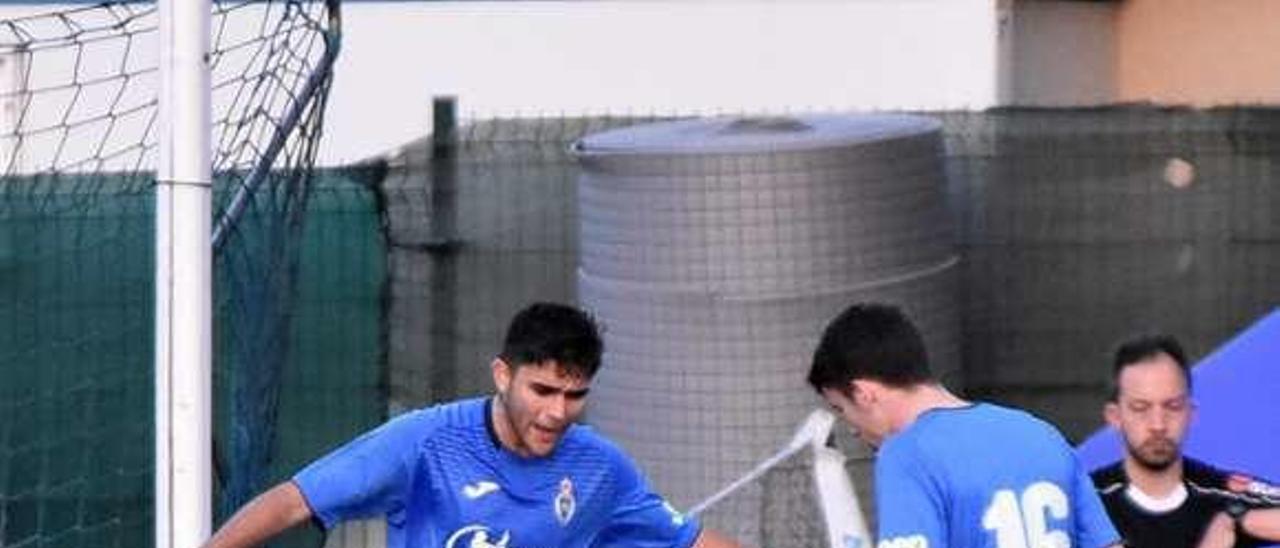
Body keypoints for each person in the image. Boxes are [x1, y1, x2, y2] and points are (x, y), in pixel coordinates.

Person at [204, 302, 739, 548]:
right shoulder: (424, 442)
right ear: (503, 375)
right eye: (543, 391)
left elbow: (688, 540)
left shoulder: (600, 466)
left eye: (575, 395)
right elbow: (294, 500)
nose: (558, 412)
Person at [806, 302, 1121, 548]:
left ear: (863, 393)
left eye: (841, 408)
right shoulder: (1040, 434)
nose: (850, 428)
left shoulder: (906, 454)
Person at [1090, 334, 1280, 548]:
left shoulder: (1223, 494)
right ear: (1114, 417)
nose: (1158, 424)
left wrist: (1235, 521)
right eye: (1140, 408)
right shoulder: (1087, 502)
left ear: (1191, 413)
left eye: (1173, 406)